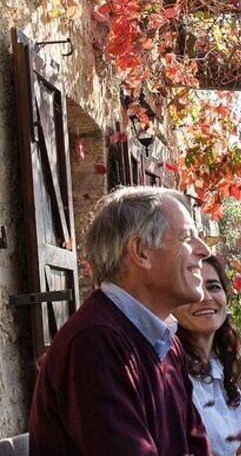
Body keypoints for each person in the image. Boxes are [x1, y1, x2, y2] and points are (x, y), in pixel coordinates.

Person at [29, 186, 212, 455]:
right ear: (140, 252)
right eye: (187, 238)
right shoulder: (94, 343)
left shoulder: (166, 343)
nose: (204, 250)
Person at [175, 255, 241, 456]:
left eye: (213, 287)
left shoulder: (221, 365)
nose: (205, 297)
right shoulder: (170, 374)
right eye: (192, 288)